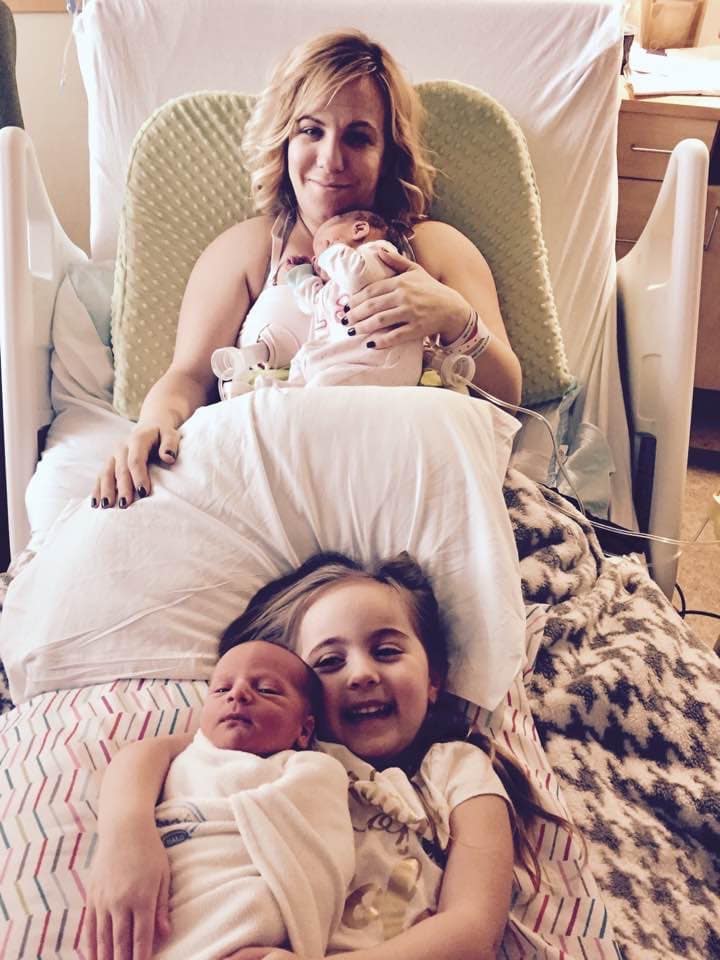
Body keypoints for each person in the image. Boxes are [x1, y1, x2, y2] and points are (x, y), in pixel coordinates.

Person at [92, 29, 522, 509]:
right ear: (284, 140)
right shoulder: (247, 250)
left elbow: (509, 400)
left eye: (358, 137)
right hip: (269, 491)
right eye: (311, 131)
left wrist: (457, 319)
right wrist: (153, 423)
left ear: (388, 154)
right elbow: (190, 376)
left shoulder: (435, 248)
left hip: (407, 492)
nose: (331, 159)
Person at [85, 552, 577, 960]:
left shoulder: (457, 770)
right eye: (329, 662)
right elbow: (152, 754)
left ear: (434, 679)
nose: (361, 674)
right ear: (303, 702)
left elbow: (472, 930)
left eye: (387, 651)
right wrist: (127, 839)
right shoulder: (286, 749)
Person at [147, 640, 355, 960]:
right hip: (170, 923)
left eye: (267, 690)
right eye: (221, 689)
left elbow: (323, 861)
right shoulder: (180, 762)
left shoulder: (312, 769)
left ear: (304, 730)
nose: (238, 694)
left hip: (249, 939)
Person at [210, 209, 423, 395]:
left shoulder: (379, 255)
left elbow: (357, 274)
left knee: (323, 384)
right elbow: (313, 302)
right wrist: (302, 275)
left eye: (322, 245)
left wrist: (328, 253)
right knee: (306, 361)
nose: (316, 258)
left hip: (384, 362)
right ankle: (267, 394)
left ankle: (281, 399)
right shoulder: (334, 287)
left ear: (359, 230)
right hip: (352, 361)